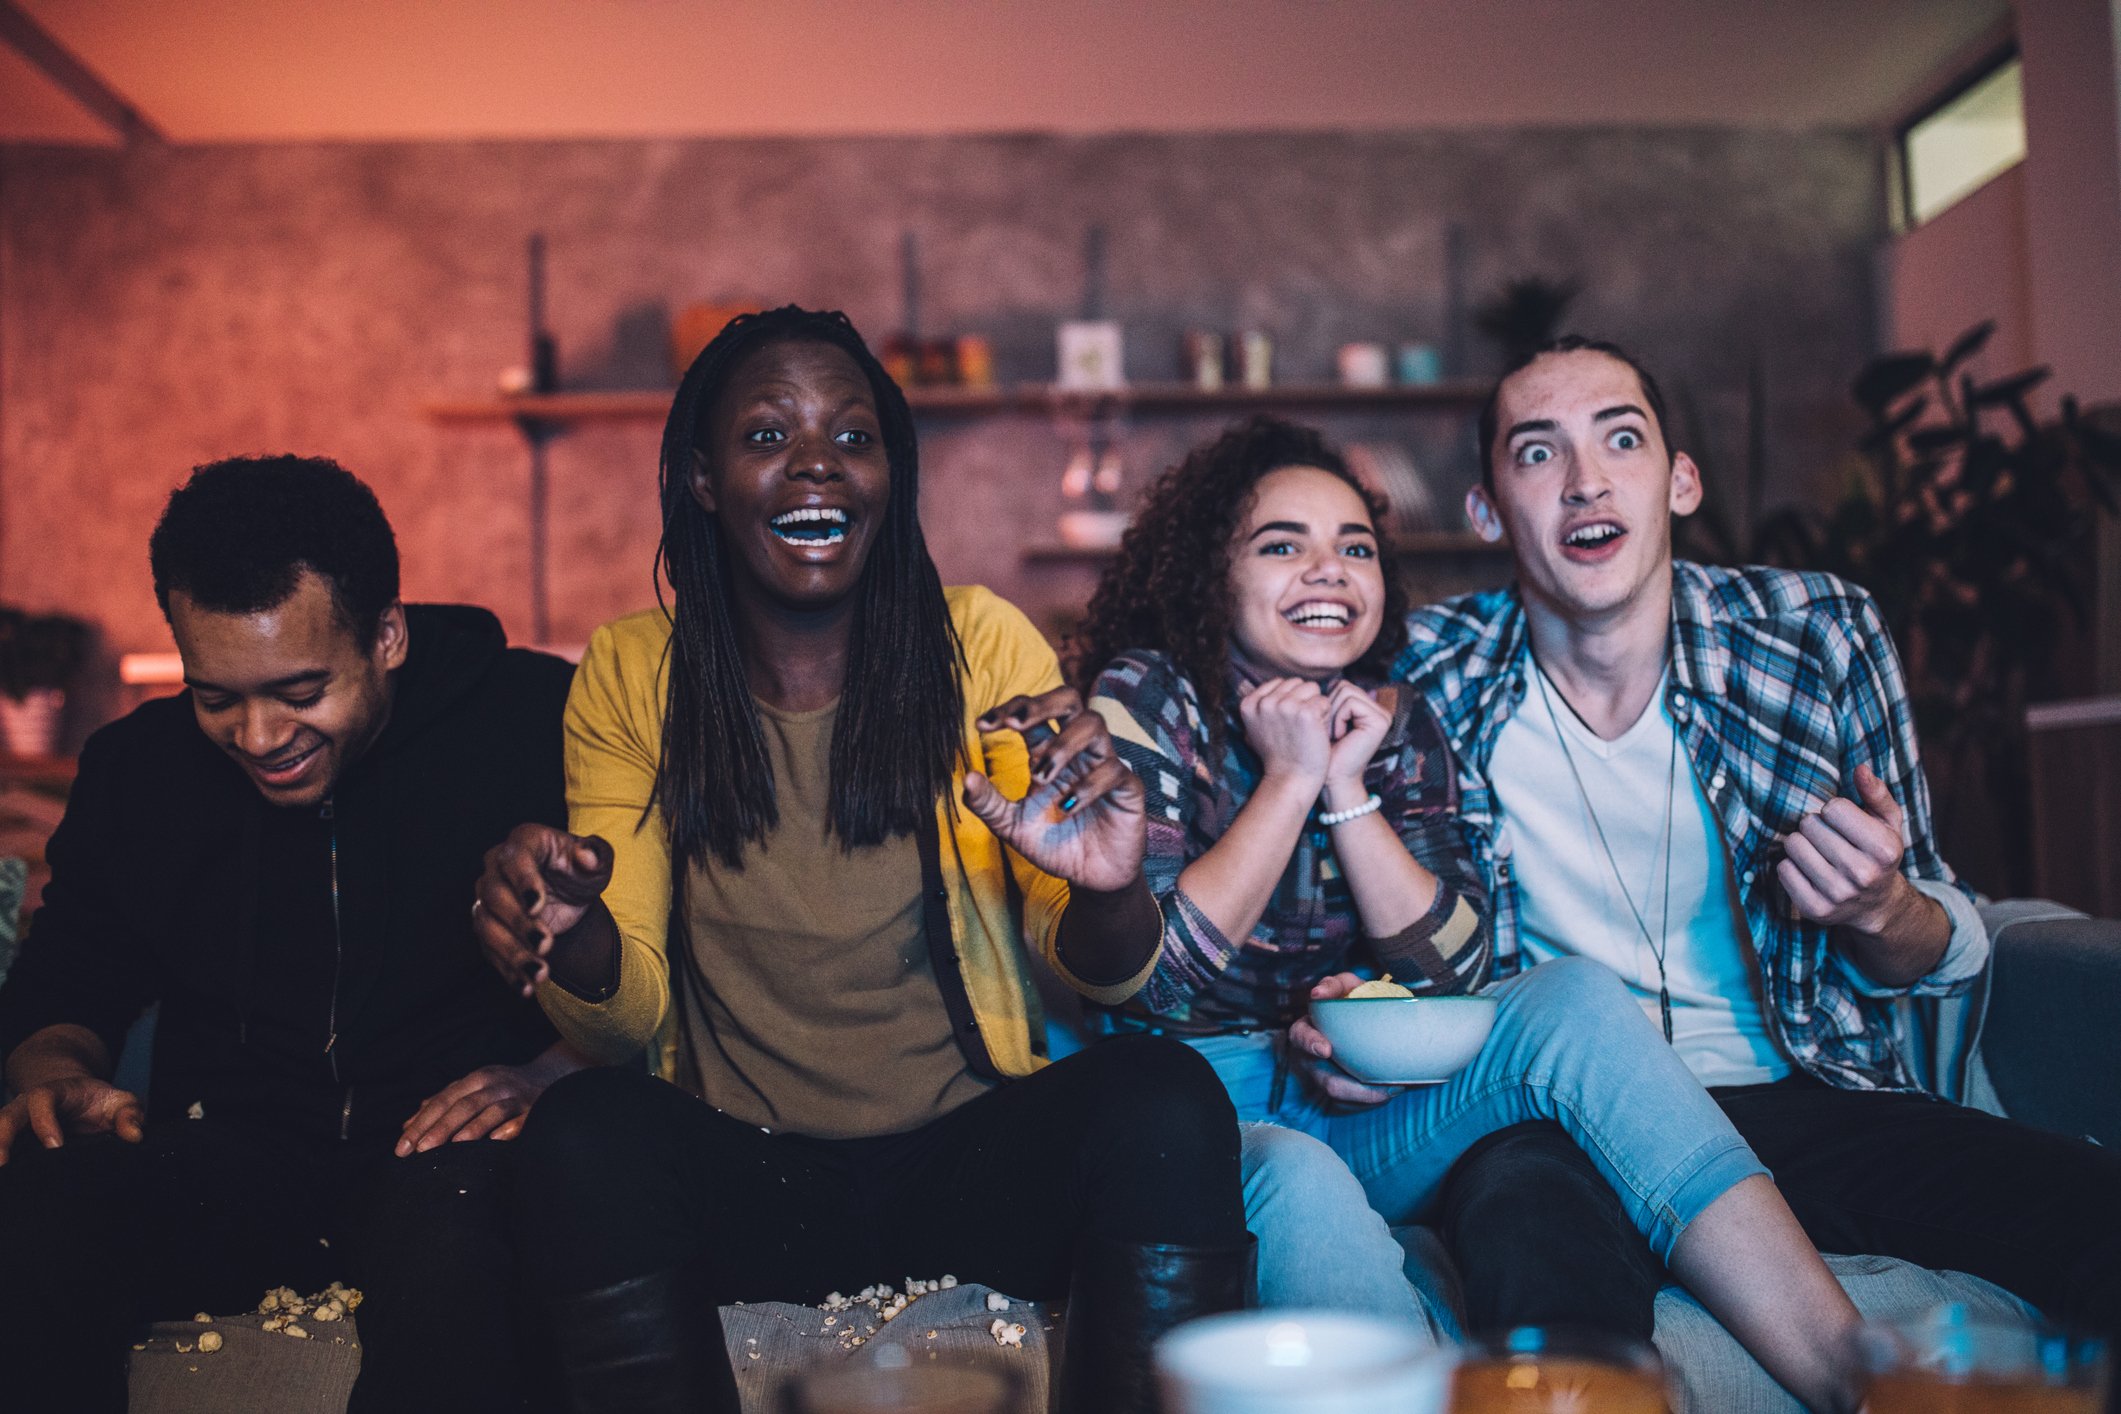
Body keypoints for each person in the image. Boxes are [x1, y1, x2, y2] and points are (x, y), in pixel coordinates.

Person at [473, 306, 1251, 1414]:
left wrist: (1109, 884)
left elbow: (1103, 974)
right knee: (584, 1132)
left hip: (968, 1164)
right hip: (752, 1181)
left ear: (892, 474)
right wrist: (575, 927)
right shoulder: (633, 672)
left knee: (1165, 1099)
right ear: (701, 479)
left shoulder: (981, 643)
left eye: (853, 436)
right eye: (766, 436)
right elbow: (620, 1018)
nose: (816, 465)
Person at [1070, 415, 1869, 1411]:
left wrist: (1347, 790)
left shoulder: (1393, 718)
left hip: (1355, 1101)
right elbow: (1148, 980)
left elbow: (1456, 967)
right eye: (1281, 545)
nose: (1328, 571)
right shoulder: (1150, 695)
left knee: (1574, 997)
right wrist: (1290, 777)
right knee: (1300, 1178)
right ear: (1209, 574)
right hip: (1193, 1125)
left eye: (1355, 547)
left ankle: (1855, 1378)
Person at [1401, 336, 2121, 1347]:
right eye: (1537, 452)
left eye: (1621, 439)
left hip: (1795, 1089)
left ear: (1680, 481)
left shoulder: (1813, 631)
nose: (1584, 480)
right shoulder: (1426, 676)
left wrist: (1882, 907)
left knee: (2091, 1206)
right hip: (1558, 1116)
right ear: (1485, 511)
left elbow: (1933, 949)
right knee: (1528, 1237)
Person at [0, 456, 582, 1412]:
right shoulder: (138, 770)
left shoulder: (536, 722)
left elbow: (648, 968)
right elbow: (68, 979)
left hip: (446, 1163)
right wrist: (55, 1072)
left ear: (386, 635)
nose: (261, 737)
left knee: (462, 1250)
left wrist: (547, 1074)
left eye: (302, 692)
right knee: (38, 1202)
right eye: (216, 698)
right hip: (227, 1158)